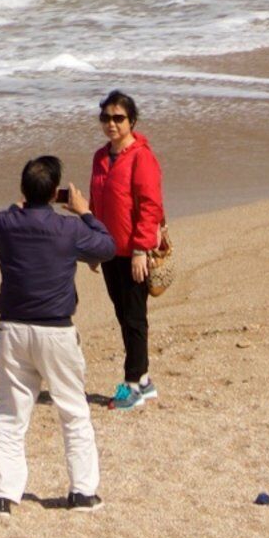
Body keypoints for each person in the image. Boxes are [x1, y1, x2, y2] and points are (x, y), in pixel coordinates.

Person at [0, 154, 114, 514]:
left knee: (11, 413)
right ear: (55, 193)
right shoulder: (68, 229)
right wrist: (83, 211)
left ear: (24, 190)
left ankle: (2, 495)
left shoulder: (6, 224)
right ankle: (82, 492)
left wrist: (15, 209)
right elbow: (106, 246)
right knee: (73, 410)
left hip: (14, 329)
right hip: (54, 330)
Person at [88, 91, 168, 407]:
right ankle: (145, 381)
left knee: (135, 318)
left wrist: (140, 250)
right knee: (123, 316)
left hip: (134, 253)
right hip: (109, 250)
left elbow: (150, 206)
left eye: (118, 118)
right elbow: (96, 203)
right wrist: (93, 244)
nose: (111, 123)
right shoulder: (100, 156)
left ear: (131, 120)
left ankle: (132, 386)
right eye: (106, 117)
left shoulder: (142, 157)